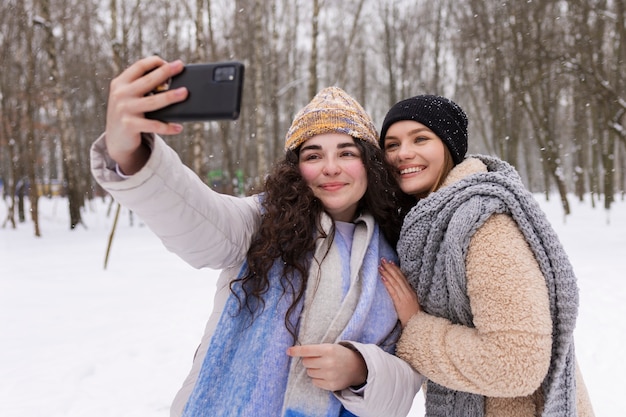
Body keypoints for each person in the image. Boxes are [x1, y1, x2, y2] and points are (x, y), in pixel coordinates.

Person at [90, 56, 422, 417]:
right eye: (314, 154)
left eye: (346, 152)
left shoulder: (395, 253)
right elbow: (197, 215)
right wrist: (133, 154)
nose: (331, 167)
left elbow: (409, 376)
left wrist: (362, 369)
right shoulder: (261, 224)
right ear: (295, 169)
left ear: (369, 164)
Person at [377, 94, 595, 417]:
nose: (403, 153)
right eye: (391, 145)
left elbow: (517, 363)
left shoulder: (484, 223)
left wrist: (416, 326)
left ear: (448, 148)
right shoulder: (423, 227)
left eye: (420, 138)